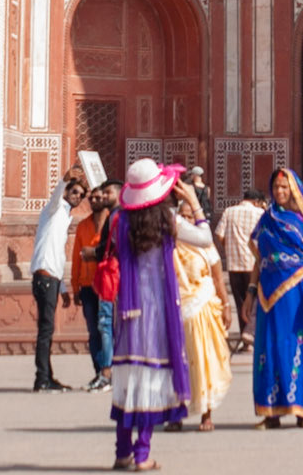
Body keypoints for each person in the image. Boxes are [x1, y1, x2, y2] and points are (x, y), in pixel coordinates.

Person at [104, 160, 213, 465]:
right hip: (158, 312)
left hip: (127, 311)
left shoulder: (119, 223)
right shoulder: (168, 222)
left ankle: (122, 453)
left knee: (129, 379)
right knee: (150, 380)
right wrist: (194, 202)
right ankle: (142, 454)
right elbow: (205, 239)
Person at [250, 167, 303, 427]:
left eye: (285, 187)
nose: (280, 192)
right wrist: (250, 294)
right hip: (268, 295)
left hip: (298, 291)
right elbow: (259, 258)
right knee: (269, 349)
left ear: (294, 189)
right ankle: (271, 412)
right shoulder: (267, 219)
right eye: (276, 188)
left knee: (299, 346)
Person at [174, 204, 232, 430]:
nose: (186, 221)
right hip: (176, 308)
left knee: (203, 361)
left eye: (190, 217)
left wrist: (226, 305)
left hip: (202, 307)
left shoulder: (206, 246)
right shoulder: (169, 244)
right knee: (177, 361)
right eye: (182, 216)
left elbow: (218, 279)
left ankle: (206, 414)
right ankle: (176, 412)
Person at [29, 167, 87, 391]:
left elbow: (57, 255)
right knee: (45, 330)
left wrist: (62, 287)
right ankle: (41, 378)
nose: (77, 197)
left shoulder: (64, 216)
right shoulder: (53, 210)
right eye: (74, 192)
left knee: (48, 329)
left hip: (51, 278)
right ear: (66, 192)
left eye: (81, 195)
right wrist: (65, 178)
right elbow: (56, 196)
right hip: (44, 279)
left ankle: (47, 376)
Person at [73, 184, 115, 390]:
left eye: (99, 198)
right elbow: (76, 258)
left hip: (107, 284)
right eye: (92, 198)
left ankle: (108, 372)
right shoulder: (83, 226)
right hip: (88, 285)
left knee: (106, 328)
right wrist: (74, 287)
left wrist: (94, 253)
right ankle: (99, 372)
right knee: (94, 331)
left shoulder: (112, 223)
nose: (95, 201)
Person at [215, 192, 262, 348]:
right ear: (256, 201)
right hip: (253, 265)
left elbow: (219, 235)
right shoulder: (260, 213)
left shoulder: (229, 211)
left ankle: (245, 337)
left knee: (240, 301)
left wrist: (229, 248)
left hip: (234, 264)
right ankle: (254, 333)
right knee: (255, 302)